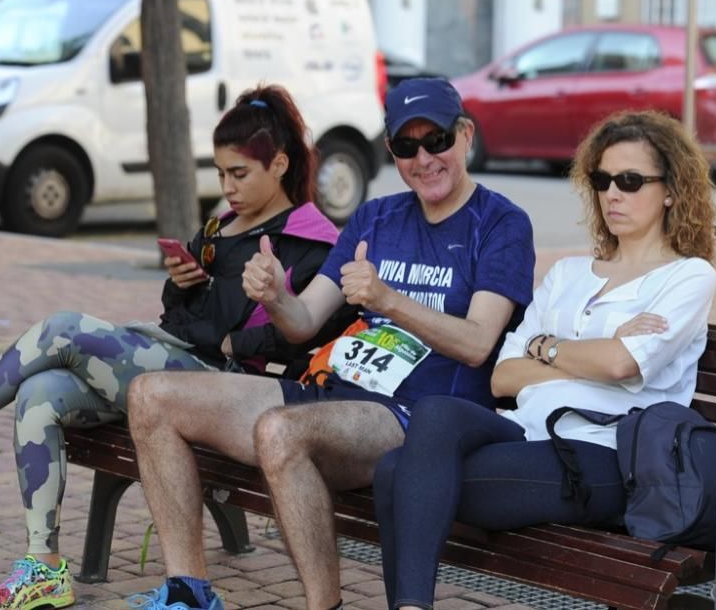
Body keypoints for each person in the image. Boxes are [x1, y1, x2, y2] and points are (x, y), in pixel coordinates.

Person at [0, 84, 350, 610]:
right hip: (178, 361)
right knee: (41, 392)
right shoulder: (220, 228)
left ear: (278, 164)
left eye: (239, 174)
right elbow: (178, 321)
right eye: (221, 173)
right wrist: (183, 285)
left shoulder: (311, 240)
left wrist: (226, 329)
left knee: (62, 328)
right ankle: (43, 567)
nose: (227, 187)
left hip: (231, 389)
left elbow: (296, 343)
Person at [123, 77, 536, 610]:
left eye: (436, 140)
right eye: (406, 147)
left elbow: (480, 343)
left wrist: (388, 300)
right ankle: (188, 592)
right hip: (331, 393)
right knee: (150, 396)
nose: (424, 158)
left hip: (419, 417)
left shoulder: (501, 223)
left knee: (279, 433)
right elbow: (303, 321)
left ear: (465, 136)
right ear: (391, 151)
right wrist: (275, 294)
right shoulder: (375, 217)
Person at [371, 110, 716, 609]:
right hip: (529, 433)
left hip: (605, 453)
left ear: (670, 190)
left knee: (397, 475)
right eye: (602, 180)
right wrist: (589, 351)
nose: (613, 194)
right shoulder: (569, 273)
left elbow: (622, 366)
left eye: (631, 180)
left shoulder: (688, 277)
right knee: (432, 415)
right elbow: (502, 378)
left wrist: (548, 348)